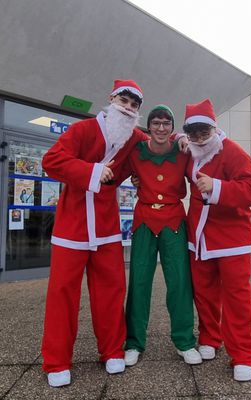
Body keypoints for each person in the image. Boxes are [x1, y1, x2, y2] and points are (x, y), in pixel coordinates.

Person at [41, 79, 149, 388]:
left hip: (106, 229)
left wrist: (183, 137)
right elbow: (51, 161)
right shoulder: (82, 130)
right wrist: (91, 171)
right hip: (71, 228)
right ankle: (57, 361)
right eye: (124, 101)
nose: (128, 108)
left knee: (111, 292)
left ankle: (113, 351)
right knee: (62, 295)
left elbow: (158, 138)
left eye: (134, 105)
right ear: (112, 98)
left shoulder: (133, 136)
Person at [183, 99, 251, 381]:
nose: (199, 137)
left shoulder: (233, 152)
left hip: (232, 239)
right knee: (204, 293)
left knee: (236, 298)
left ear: (215, 129)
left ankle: (243, 354)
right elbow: (160, 139)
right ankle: (210, 338)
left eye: (204, 131)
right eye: (192, 133)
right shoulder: (189, 151)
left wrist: (217, 187)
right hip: (200, 237)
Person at [123, 105, 202, 367]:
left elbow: (204, 158)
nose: (160, 128)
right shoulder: (136, 151)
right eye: (155, 123)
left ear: (172, 127)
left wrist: (182, 136)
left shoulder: (183, 152)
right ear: (149, 126)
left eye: (166, 123)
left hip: (174, 221)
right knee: (139, 282)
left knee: (180, 282)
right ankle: (134, 342)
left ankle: (184, 341)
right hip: (144, 220)